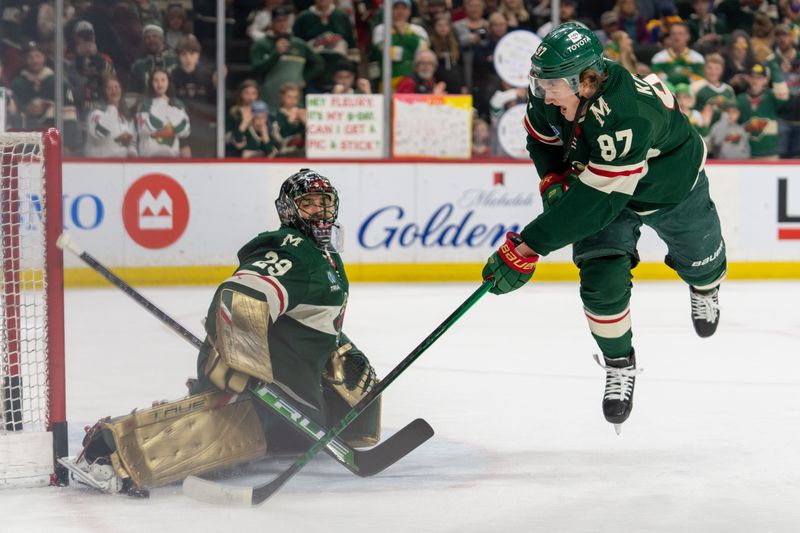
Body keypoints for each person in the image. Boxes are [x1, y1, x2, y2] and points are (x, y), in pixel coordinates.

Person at [59, 169, 381, 495]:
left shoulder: (326, 259)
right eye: (308, 203)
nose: (320, 211)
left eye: (324, 203)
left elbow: (316, 320)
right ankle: (109, 451)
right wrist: (242, 356)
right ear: (288, 209)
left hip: (296, 396)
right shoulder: (293, 250)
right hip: (261, 387)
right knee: (235, 435)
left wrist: (341, 353)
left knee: (281, 433)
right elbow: (241, 295)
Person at [482, 23, 726, 432]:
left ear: (588, 81)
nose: (543, 94)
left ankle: (705, 287)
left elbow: (598, 203)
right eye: (539, 83)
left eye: (552, 85)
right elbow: (541, 139)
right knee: (600, 279)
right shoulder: (554, 91)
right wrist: (552, 178)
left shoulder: (625, 113)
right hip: (602, 180)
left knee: (702, 262)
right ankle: (619, 363)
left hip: (670, 184)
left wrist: (529, 246)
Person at [135, 68, 190, 158]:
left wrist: (159, 130)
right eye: (156, 80)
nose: (159, 84)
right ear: (151, 83)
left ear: (168, 82)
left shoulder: (178, 104)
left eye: (163, 80)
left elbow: (185, 130)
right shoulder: (144, 104)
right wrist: (170, 127)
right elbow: (144, 129)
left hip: (172, 157)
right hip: (148, 157)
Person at [84, 76, 137, 158]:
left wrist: (132, 152)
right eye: (109, 88)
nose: (114, 90)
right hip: (99, 166)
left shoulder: (126, 118)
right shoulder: (96, 113)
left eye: (116, 87)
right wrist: (112, 108)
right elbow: (100, 133)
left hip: (121, 166)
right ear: (104, 92)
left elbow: (129, 143)